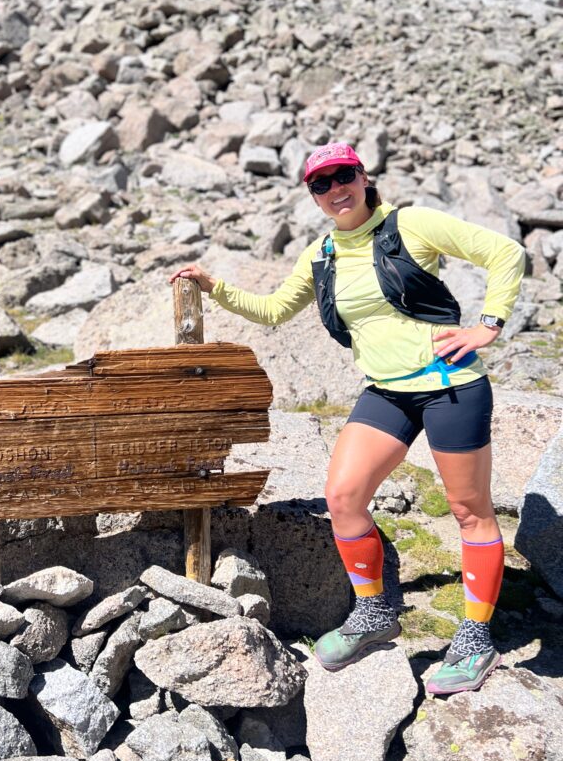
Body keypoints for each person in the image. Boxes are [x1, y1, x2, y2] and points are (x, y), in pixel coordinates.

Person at [170, 142, 526, 695]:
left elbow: (506, 253)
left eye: (343, 176)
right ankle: (374, 612)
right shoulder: (321, 255)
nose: (335, 189)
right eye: (320, 183)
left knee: (469, 510)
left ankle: (476, 638)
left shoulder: (410, 225)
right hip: (387, 391)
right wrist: (216, 288)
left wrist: (488, 324)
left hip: (451, 385)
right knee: (343, 497)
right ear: (312, 196)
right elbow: (274, 310)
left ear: (363, 176)